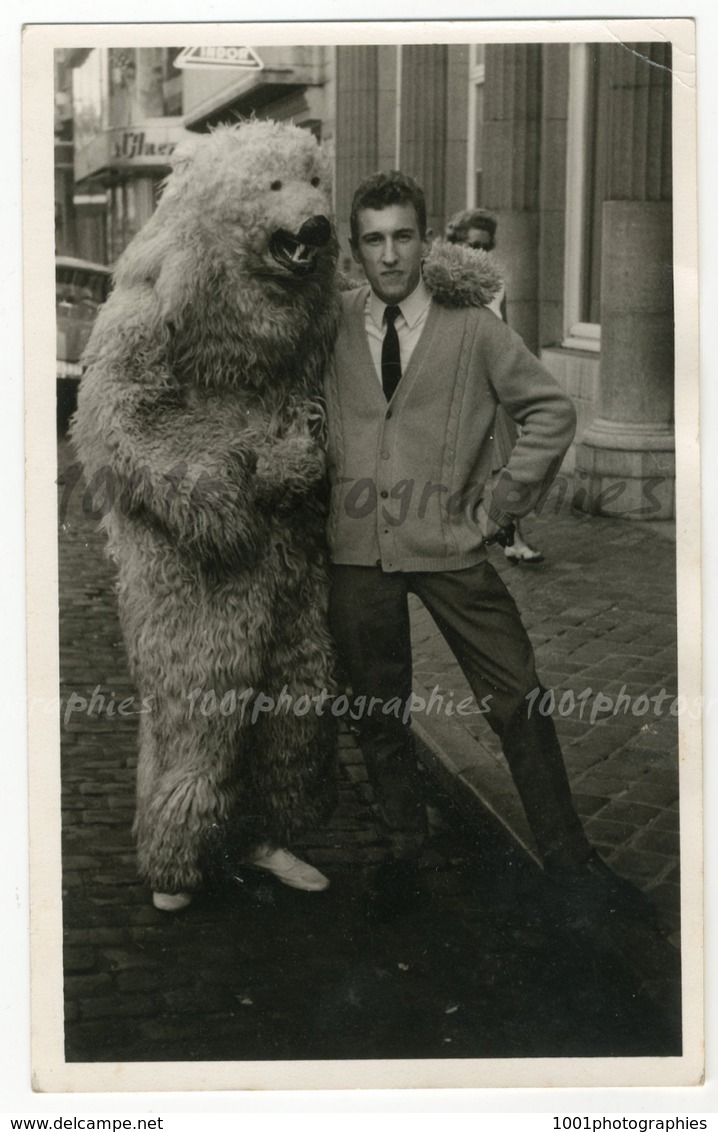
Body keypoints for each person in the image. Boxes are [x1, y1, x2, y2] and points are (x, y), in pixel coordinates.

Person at [324, 171, 646, 919]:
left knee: (519, 698)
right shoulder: (332, 326)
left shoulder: (471, 327)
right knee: (377, 709)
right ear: (354, 247)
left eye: (403, 235)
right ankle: (405, 851)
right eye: (373, 239)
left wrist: (498, 508)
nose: (390, 255)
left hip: (452, 548)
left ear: (424, 240)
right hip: (355, 551)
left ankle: (572, 865)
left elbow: (551, 412)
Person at [445, 207, 543, 565]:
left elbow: (506, 332)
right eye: (473, 246)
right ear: (457, 245)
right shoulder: (444, 285)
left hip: (492, 383)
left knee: (506, 465)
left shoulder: (497, 284)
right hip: (456, 384)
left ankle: (513, 537)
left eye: (487, 247)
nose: (481, 254)